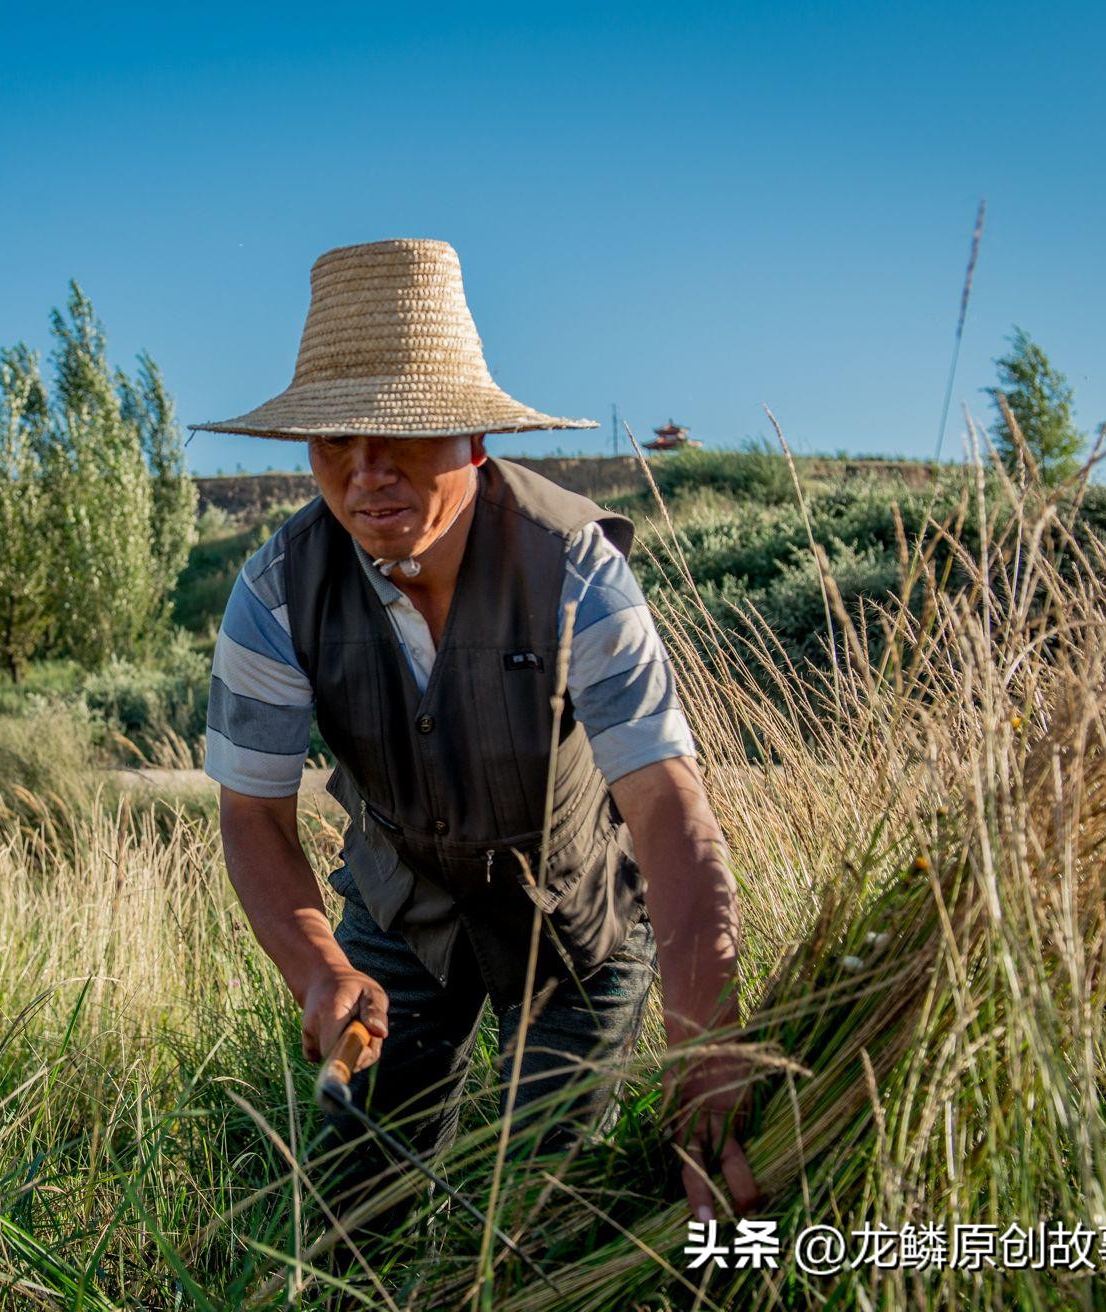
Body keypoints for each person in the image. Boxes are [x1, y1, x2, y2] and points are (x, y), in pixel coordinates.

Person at [190, 238, 762, 1242]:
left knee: (535, 1216)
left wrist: (703, 1042)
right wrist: (318, 967)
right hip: (396, 916)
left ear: (476, 440)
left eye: (402, 438)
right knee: (351, 1207)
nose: (366, 476)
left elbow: (669, 810)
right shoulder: (277, 591)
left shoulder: (575, 570)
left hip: (578, 930)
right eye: (332, 443)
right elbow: (254, 817)